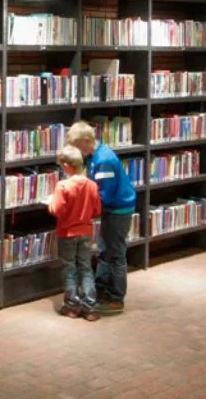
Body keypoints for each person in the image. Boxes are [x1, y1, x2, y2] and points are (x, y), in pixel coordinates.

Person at [68, 120, 137, 313]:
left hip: (118, 210)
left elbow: (103, 195)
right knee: (105, 251)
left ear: (88, 140)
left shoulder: (103, 160)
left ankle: (116, 298)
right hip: (112, 209)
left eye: (78, 146)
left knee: (116, 254)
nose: (77, 151)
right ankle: (101, 290)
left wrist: (82, 209)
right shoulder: (95, 156)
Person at [45, 144, 102, 321]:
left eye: (62, 166)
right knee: (86, 268)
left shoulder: (63, 186)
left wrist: (49, 202)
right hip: (85, 232)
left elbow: (56, 210)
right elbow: (97, 210)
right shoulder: (92, 185)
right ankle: (90, 307)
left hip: (67, 234)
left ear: (67, 166)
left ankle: (72, 306)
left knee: (69, 269)